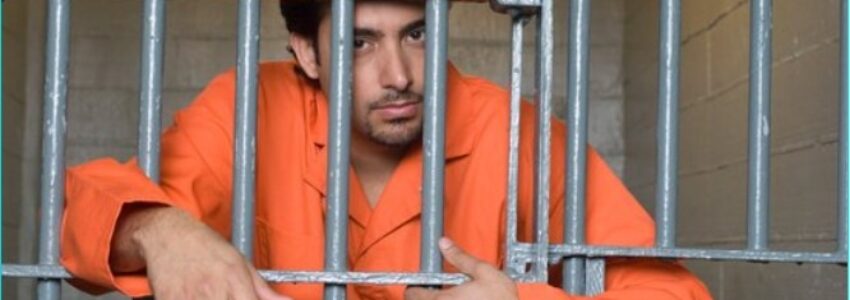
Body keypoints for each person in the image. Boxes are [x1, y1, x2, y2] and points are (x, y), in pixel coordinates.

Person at [60, 0, 713, 299]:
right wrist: (160, 230)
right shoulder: (250, 106)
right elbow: (88, 218)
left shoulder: (516, 133)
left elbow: (672, 295)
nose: (399, 74)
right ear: (308, 54)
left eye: (418, 33)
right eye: (359, 42)